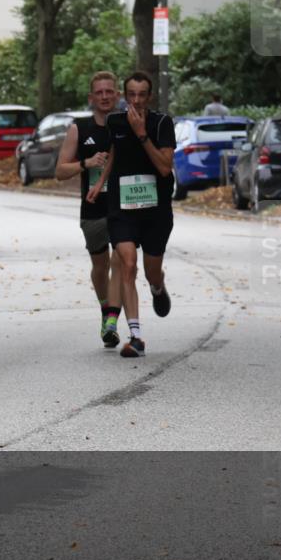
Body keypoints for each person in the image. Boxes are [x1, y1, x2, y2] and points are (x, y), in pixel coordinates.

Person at [88, 71, 175, 358]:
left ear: (149, 97)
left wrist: (142, 135)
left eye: (142, 95)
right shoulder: (115, 121)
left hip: (155, 212)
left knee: (150, 270)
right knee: (127, 264)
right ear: (125, 96)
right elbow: (115, 152)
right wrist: (100, 183)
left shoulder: (162, 123)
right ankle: (135, 336)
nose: (136, 100)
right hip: (122, 208)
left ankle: (157, 286)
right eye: (131, 94)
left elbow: (164, 168)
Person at [55, 71, 123, 348]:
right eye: (100, 92)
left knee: (122, 261)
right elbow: (60, 171)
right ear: (91, 98)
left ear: (117, 95)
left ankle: (112, 320)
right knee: (100, 264)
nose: (105, 96)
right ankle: (105, 308)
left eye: (110, 91)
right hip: (93, 207)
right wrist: (86, 163)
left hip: (123, 207)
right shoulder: (79, 129)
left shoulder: (126, 125)